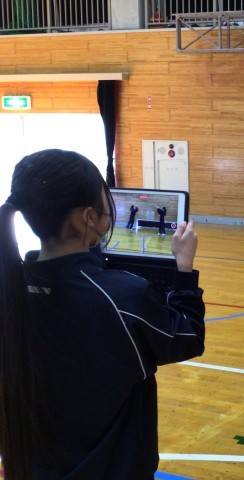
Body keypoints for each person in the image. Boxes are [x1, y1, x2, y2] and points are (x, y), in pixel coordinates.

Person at [0, 149, 205, 479]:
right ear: (88, 218)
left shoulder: (11, 289)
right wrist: (184, 272)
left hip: (36, 467)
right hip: (112, 469)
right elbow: (187, 337)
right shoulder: (123, 297)